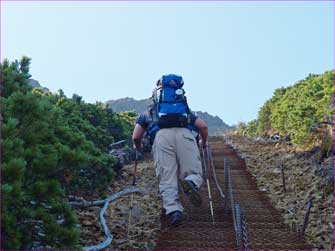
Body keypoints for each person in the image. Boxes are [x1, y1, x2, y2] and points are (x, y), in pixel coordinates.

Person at [132, 74, 208, 226]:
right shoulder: (184, 111)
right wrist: (203, 142)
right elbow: (203, 126)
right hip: (185, 135)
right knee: (192, 171)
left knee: (167, 177)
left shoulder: (148, 112)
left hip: (161, 139)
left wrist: (138, 149)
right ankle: (190, 182)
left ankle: (174, 211)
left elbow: (136, 137)